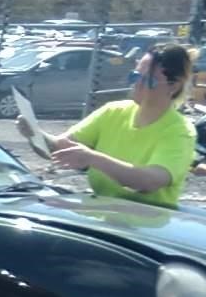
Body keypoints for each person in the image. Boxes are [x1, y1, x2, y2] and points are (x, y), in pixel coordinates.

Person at [38, 43, 196, 206]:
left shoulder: (180, 132)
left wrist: (93, 158)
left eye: (146, 80)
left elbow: (150, 181)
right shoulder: (113, 111)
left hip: (145, 224)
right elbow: (61, 148)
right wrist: (34, 132)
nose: (136, 85)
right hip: (102, 216)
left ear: (173, 86)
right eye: (134, 77)